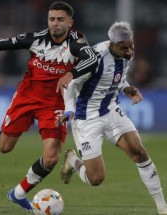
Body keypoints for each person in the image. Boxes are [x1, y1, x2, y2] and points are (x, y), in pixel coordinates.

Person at [0, 1, 96, 212]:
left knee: (51, 158)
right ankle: (8, 129)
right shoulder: (35, 39)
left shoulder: (77, 43)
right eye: (52, 19)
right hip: (27, 97)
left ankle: (18, 193)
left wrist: (70, 74)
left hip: (55, 104)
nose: (55, 23)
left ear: (70, 22)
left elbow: (92, 59)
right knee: (4, 147)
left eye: (60, 19)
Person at [56, 21, 167, 215]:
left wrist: (126, 89)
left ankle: (162, 207)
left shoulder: (125, 54)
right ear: (111, 44)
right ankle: (73, 160)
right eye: (124, 47)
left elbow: (117, 76)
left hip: (110, 110)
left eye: (131, 45)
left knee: (139, 152)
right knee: (96, 178)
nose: (129, 50)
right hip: (87, 118)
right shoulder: (94, 58)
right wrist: (69, 110)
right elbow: (71, 84)